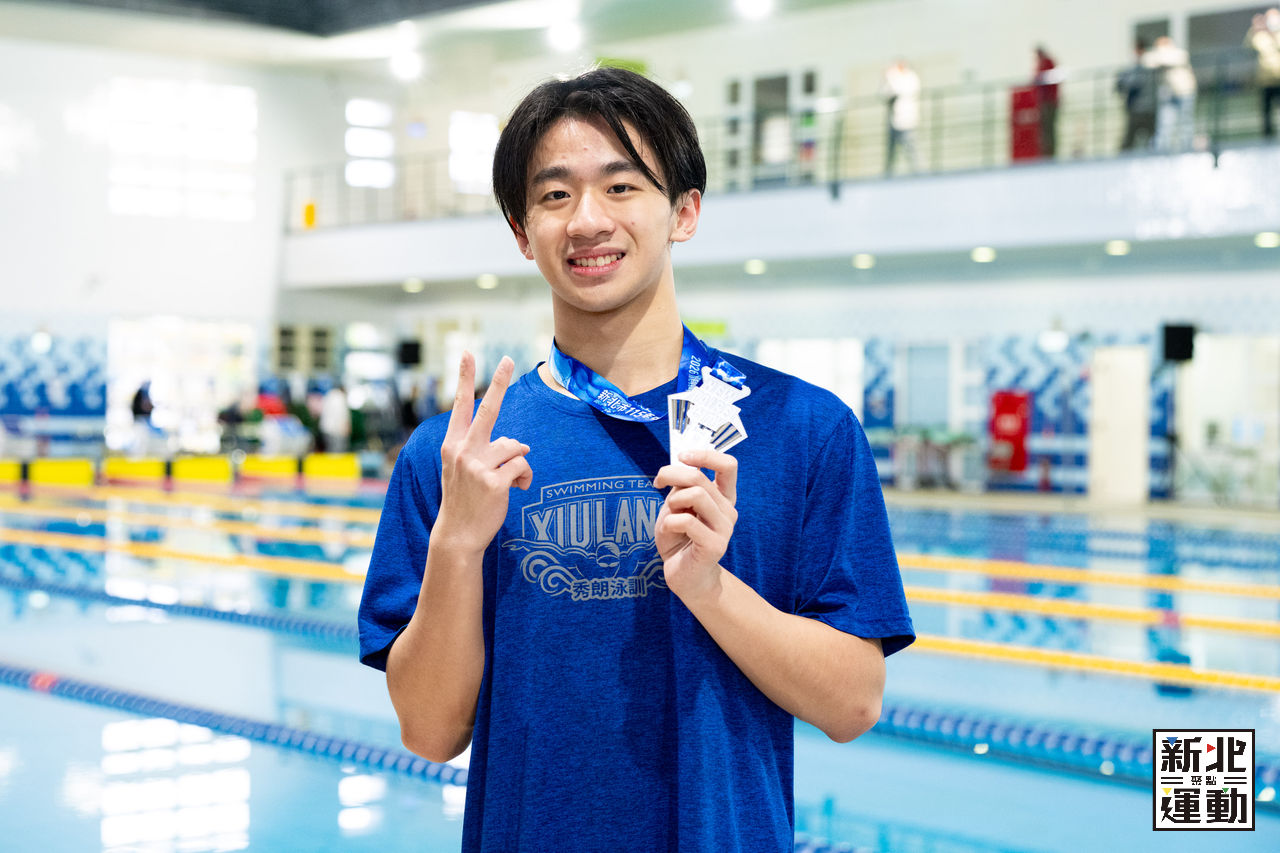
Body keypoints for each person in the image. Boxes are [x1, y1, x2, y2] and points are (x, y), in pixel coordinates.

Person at [357, 66, 914, 852]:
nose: (588, 219)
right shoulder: (457, 454)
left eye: (621, 187)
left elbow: (854, 704)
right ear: (522, 232)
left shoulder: (804, 429)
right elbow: (429, 730)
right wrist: (456, 543)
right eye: (555, 195)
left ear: (684, 211)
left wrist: (711, 588)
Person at [1149, 35, 1197, 153]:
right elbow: (1148, 61)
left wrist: (1161, 56)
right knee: (1165, 123)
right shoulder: (1157, 56)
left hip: (1185, 93)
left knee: (1186, 123)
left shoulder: (1179, 54)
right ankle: (1162, 150)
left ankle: (1187, 147)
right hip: (1169, 95)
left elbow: (1173, 59)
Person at [879, 57, 921, 175]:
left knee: (911, 148)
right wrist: (886, 79)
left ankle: (917, 172)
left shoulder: (910, 78)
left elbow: (899, 91)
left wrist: (891, 77)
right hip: (893, 121)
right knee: (890, 151)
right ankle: (888, 174)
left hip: (906, 121)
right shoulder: (891, 79)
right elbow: (883, 94)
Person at [1115, 39, 1158, 152]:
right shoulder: (1139, 67)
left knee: (1136, 140)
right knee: (1136, 140)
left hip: (1143, 109)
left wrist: (1122, 80)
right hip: (1142, 109)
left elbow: (1132, 84)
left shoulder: (1146, 66)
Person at [1246, 8, 1280, 138]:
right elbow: (1249, 44)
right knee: (1266, 111)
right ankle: (1267, 136)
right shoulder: (1260, 36)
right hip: (1266, 81)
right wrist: (1255, 28)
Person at [1033, 45, 1060, 157]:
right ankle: (1046, 151)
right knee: (1045, 128)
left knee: (1049, 127)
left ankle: (1050, 152)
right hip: (1044, 101)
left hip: (1049, 101)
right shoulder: (1043, 63)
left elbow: (1046, 80)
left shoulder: (1047, 63)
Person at [319, 382, 351, 452]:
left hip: (326, 429)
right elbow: (342, 415)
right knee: (338, 452)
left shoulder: (329, 395)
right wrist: (346, 428)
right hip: (336, 431)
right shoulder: (340, 397)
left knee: (330, 450)